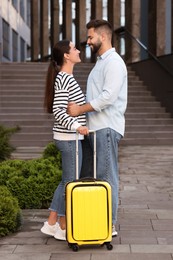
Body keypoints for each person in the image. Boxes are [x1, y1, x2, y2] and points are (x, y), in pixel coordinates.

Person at [68, 19, 128, 237]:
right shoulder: (101, 63)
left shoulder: (113, 62)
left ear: (103, 37)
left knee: (107, 177)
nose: (88, 41)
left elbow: (108, 98)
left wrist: (79, 110)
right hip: (96, 129)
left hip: (107, 128)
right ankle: (98, 221)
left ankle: (109, 225)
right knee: (97, 177)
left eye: (91, 37)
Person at [41, 40, 89, 240]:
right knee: (69, 183)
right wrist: (77, 126)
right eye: (74, 48)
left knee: (67, 182)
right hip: (69, 138)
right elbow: (59, 111)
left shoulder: (65, 77)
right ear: (66, 56)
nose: (78, 50)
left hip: (70, 138)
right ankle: (58, 224)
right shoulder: (64, 78)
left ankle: (54, 223)